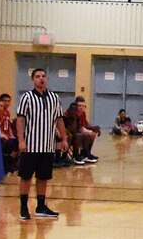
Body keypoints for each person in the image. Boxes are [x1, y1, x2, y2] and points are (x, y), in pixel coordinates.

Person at [15, 67, 67, 220]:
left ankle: (41, 206)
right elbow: (20, 120)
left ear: (47, 79)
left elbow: (59, 120)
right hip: (30, 145)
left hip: (47, 146)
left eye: (43, 76)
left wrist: (64, 139)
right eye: (37, 76)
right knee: (26, 177)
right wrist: (21, 141)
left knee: (43, 177)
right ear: (33, 80)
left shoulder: (54, 98)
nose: (41, 79)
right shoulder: (26, 98)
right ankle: (24, 207)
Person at [63, 97, 101, 164]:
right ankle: (75, 156)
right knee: (81, 135)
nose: (81, 108)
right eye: (79, 106)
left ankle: (86, 154)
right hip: (67, 131)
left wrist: (93, 128)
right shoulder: (71, 113)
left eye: (83, 106)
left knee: (91, 134)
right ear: (76, 106)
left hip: (75, 131)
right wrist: (86, 130)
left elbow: (85, 124)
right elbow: (73, 127)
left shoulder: (82, 114)